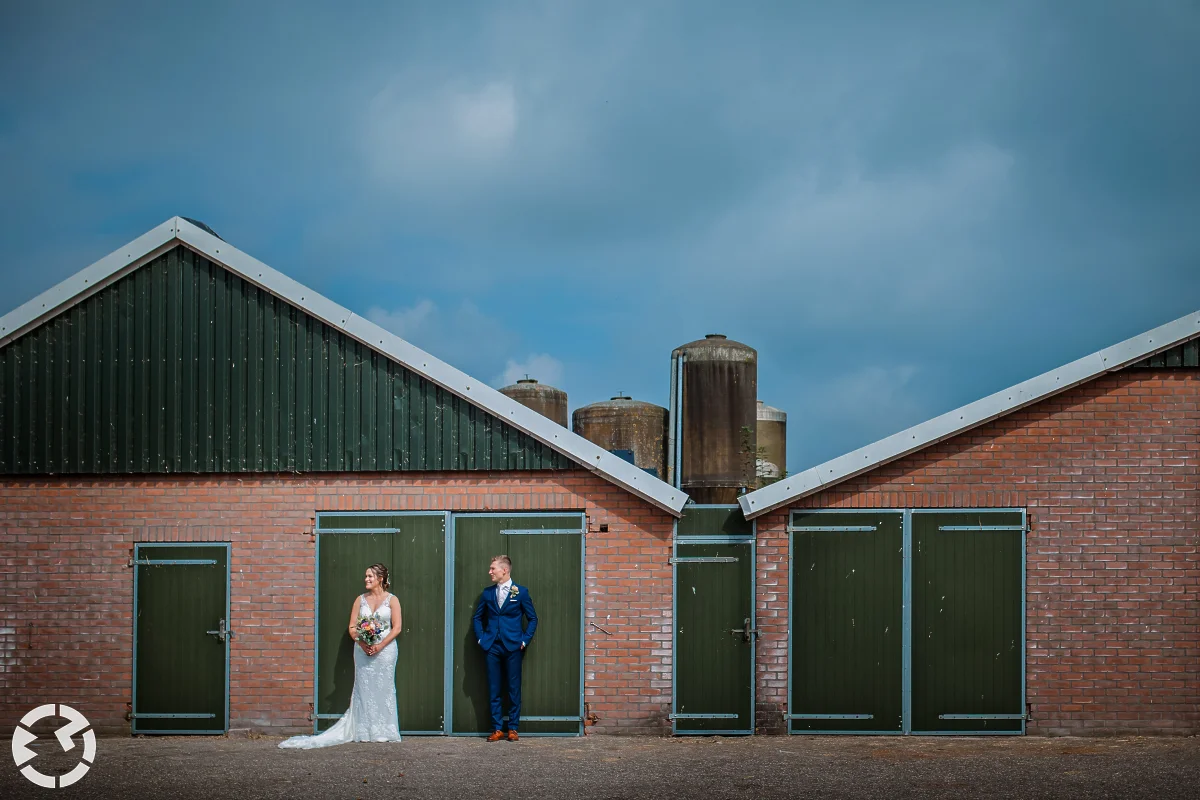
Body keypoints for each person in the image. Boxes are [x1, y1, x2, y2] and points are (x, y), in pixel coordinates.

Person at [279, 563, 403, 748]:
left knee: (384, 688)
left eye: (370, 576)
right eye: (366, 576)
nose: (366, 579)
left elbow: (397, 627)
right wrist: (362, 643)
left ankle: (385, 731)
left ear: (381, 579)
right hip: (362, 651)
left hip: (385, 652)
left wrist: (380, 646)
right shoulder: (360, 600)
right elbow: (352, 627)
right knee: (364, 688)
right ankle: (365, 730)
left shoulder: (392, 600)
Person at [472, 554, 538, 741]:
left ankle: (513, 728)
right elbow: (477, 618)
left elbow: (533, 618)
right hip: (492, 646)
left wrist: (524, 641)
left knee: (513, 688)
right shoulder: (487, 593)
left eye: (493, 568)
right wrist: (481, 639)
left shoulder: (521, 592)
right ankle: (497, 728)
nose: (489, 572)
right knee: (494, 688)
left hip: (513, 646)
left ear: (505, 570)